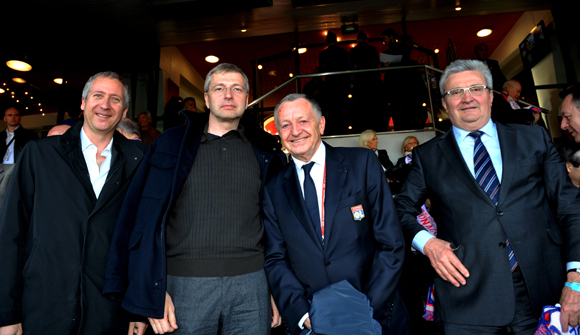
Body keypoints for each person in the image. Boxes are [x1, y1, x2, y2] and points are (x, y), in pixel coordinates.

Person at [395, 59, 580, 334]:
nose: (467, 98)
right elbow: (400, 208)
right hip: (467, 297)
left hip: (543, 288)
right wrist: (428, 244)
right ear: (444, 105)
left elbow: (571, 208)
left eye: (476, 88)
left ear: (491, 97)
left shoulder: (534, 139)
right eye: (455, 92)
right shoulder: (428, 156)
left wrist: (575, 278)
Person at [103, 63, 287, 334]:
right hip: (184, 285)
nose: (228, 95)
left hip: (252, 285)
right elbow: (140, 221)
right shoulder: (169, 145)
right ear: (206, 98)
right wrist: (151, 291)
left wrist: (275, 287)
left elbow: (279, 227)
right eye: (219, 88)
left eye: (237, 89)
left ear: (247, 99)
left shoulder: (266, 151)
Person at [0, 71, 148, 335]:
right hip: (43, 307)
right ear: (83, 102)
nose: (105, 105)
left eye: (115, 99)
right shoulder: (40, 154)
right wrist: (6, 313)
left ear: (124, 111)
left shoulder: (138, 161)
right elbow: (11, 234)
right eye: (98, 96)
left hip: (108, 311)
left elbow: (142, 240)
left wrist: (138, 309)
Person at [263, 93, 408, 335]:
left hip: (376, 314)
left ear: (321, 124)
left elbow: (391, 243)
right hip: (314, 323)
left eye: (303, 121)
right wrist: (302, 314)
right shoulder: (273, 188)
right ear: (279, 133)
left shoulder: (362, 163)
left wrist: (365, 308)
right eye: (285, 125)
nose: (295, 131)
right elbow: (275, 259)